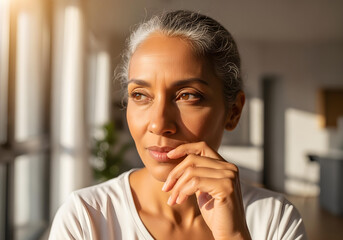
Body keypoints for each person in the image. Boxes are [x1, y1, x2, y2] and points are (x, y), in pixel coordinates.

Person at [49, 10, 307, 240]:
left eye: (187, 95)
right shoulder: (86, 218)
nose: (159, 124)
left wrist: (233, 235)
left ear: (233, 111)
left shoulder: (275, 220)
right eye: (140, 95)